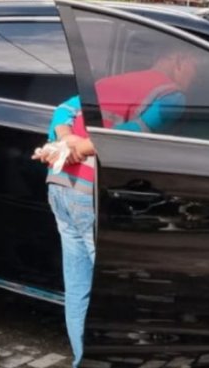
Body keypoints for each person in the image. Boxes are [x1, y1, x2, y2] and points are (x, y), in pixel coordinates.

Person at [33, 49, 198, 367]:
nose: (195, 81)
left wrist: (66, 141)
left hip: (59, 186)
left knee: (79, 287)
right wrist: (79, 147)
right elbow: (134, 135)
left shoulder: (112, 82)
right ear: (178, 60)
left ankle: (83, 360)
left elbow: (61, 113)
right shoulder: (173, 95)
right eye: (196, 70)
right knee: (111, 292)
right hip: (93, 194)